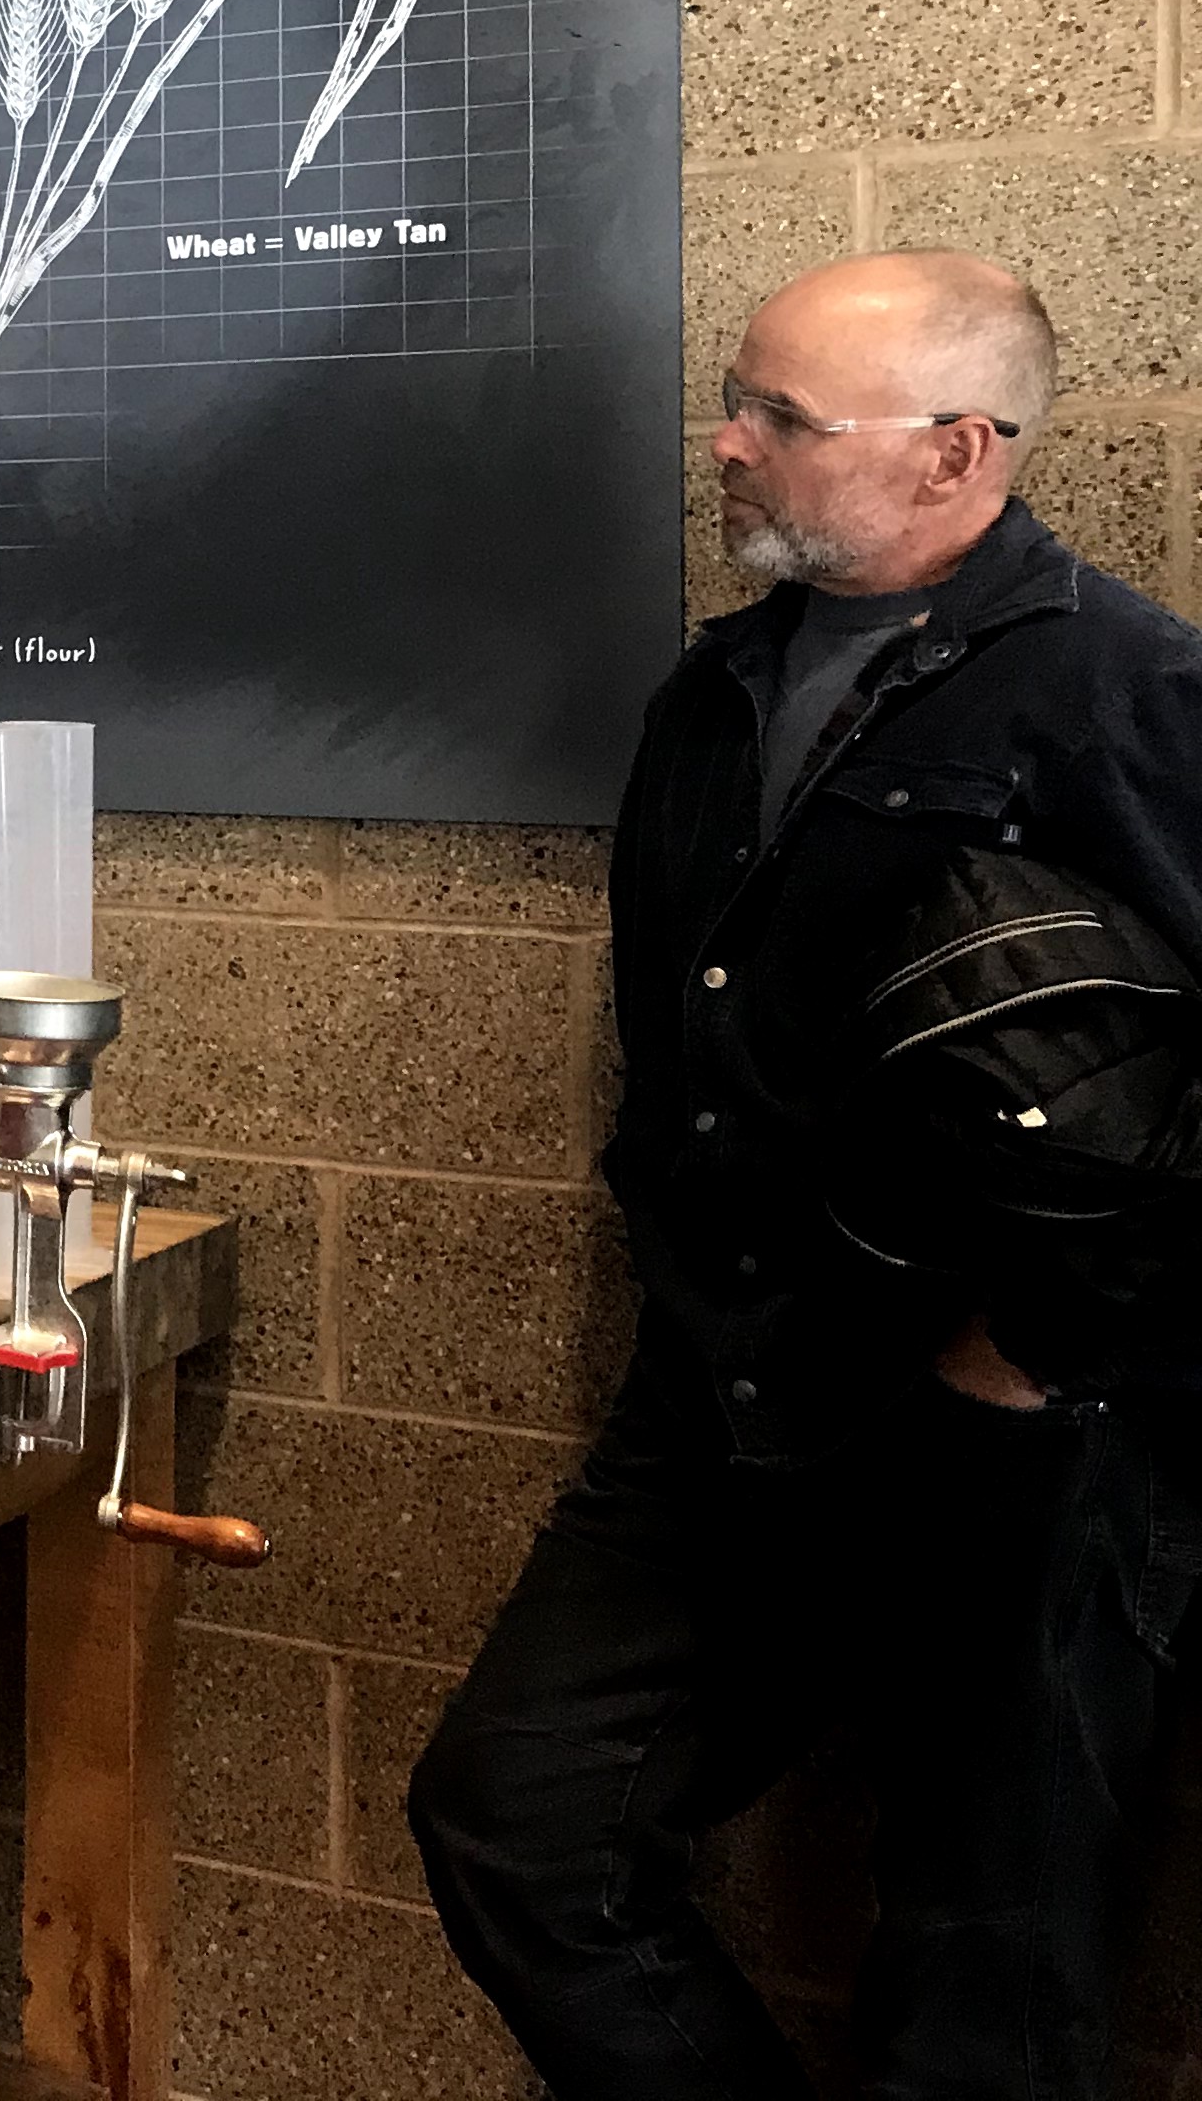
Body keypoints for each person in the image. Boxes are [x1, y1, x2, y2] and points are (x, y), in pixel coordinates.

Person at [409, 250, 1202, 2098]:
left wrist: (1032, 1350)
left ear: (954, 451)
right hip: (725, 1402)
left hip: (1023, 1452)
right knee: (520, 1818)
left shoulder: (1128, 693)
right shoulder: (718, 689)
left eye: (777, 414)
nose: (726, 440)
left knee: (982, 1989)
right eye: (736, 398)